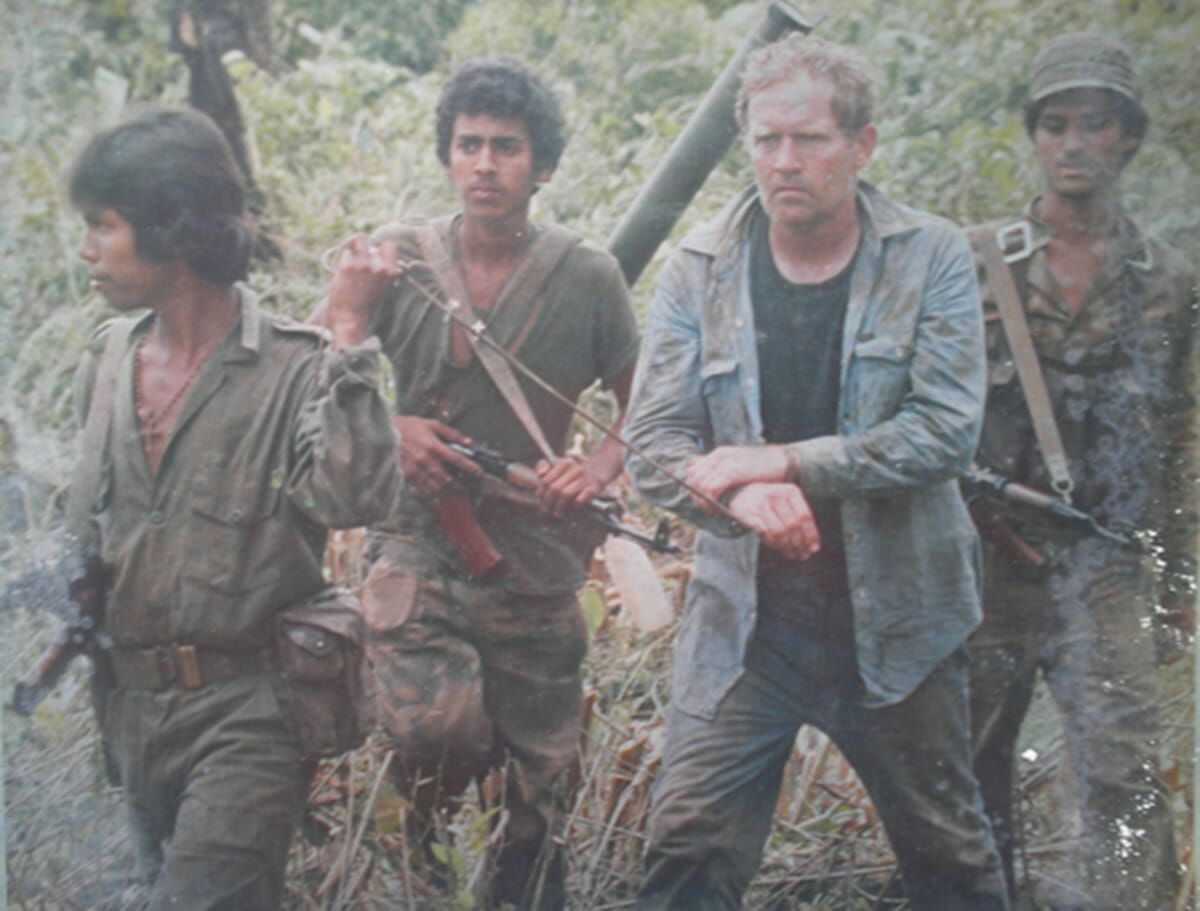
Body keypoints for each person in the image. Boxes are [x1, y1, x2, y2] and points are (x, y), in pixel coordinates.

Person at [622, 33, 1009, 910]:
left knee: (952, 861)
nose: (784, 161)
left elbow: (945, 432)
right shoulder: (700, 268)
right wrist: (744, 492)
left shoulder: (930, 256)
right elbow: (652, 441)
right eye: (766, 140)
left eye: (810, 139)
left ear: (862, 144)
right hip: (749, 626)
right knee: (687, 849)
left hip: (901, 622)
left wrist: (788, 458)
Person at [314, 57, 639, 909]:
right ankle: (426, 884)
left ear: (543, 163)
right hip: (417, 538)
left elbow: (650, 411)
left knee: (542, 786)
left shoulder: (588, 275)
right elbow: (308, 376)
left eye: (507, 147)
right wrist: (393, 427)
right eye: (468, 145)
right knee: (433, 732)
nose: (485, 164)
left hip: (535, 552)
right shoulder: (400, 259)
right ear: (447, 155)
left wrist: (592, 469)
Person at [65, 105, 399, 910]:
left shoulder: (297, 367)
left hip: (247, 712)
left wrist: (352, 336)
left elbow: (356, 496)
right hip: (129, 715)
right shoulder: (106, 362)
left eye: (103, 227)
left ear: (170, 232)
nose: (87, 251)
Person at [965, 33, 1196, 911]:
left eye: (1093, 125)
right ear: (1034, 137)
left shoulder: (1168, 279)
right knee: (970, 769)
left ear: (1127, 137)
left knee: (1121, 769)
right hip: (990, 559)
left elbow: (1178, 441)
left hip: (1105, 564)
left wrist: (1176, 577)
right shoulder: (975, 259)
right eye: (1054, 125)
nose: (1071, 144)